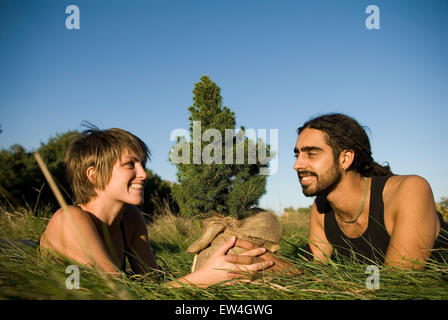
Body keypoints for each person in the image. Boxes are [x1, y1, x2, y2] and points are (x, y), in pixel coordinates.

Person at [39, 126, 273, 287]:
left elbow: (153, 284)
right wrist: (202, 278)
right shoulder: (70, 219)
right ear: (94, 174)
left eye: (142, 164)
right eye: (130, 164)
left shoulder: (130, 218)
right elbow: (119, 293)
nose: (143, 174)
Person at [228, 113, 448, 270]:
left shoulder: (409, 191)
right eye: (297, 155)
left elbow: (398, 282)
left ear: (345, 158)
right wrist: (267, 261)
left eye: (311, 154)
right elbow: (313, 273)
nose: (297, 165)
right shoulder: (322, 209)